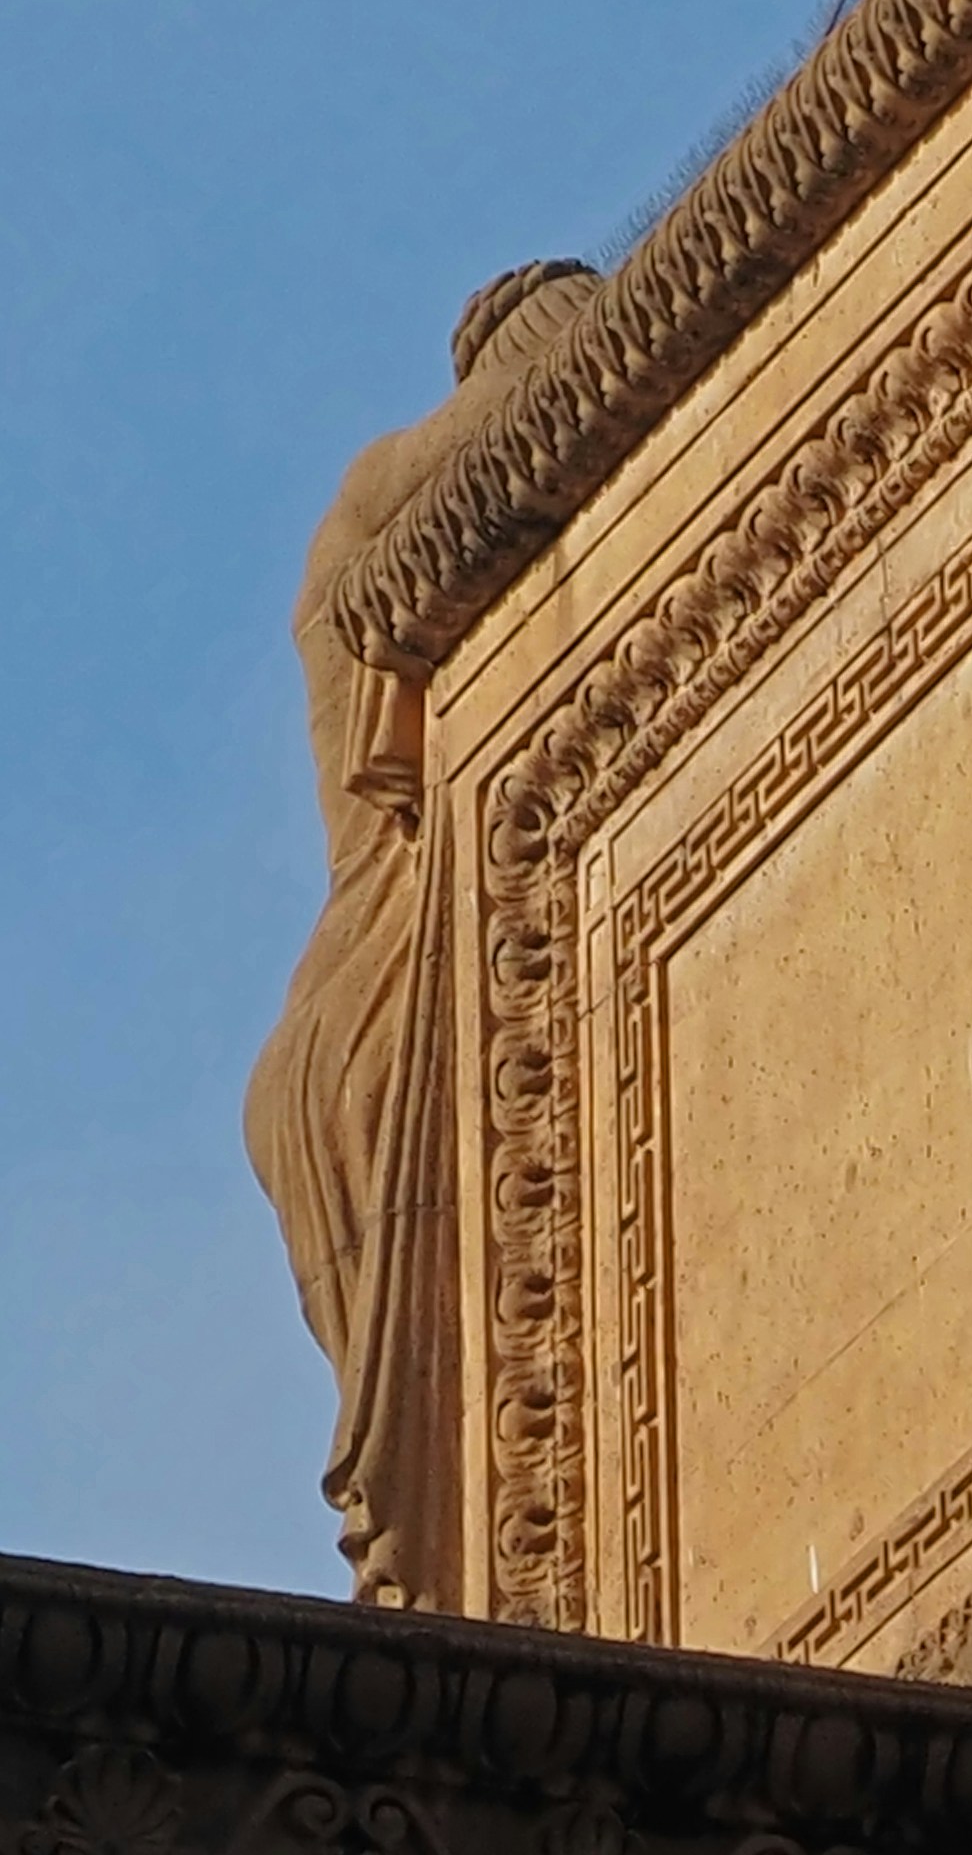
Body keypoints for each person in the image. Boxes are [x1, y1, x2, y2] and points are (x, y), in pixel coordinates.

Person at [248, 252, 598, 1600]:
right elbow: (561, 380)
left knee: (433, 1464)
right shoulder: (374, 498)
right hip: (377, 1021)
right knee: (461, 1458)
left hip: (322, 1046)